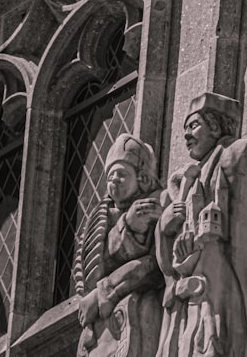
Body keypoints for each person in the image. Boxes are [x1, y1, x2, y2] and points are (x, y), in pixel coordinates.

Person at [155, 93, 247, 357]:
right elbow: (168, 257)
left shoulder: (236, 154)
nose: (186, 136)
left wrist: (200, 241)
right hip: (189, 291)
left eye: (193, 126)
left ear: (215, 126)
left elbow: (242, 239)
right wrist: (165, 225)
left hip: (218, 283)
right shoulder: (185, 180)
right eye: (184, 129)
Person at [73, 134, 163, 357]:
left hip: (136, 315)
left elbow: (155, 264)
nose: (113, 181)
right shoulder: (102, 218)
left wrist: (102, 292)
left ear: (142, 179)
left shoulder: (155, 204)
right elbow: (91, 270)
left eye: (121, 175)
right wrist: (126, 224)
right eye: (110, 176)